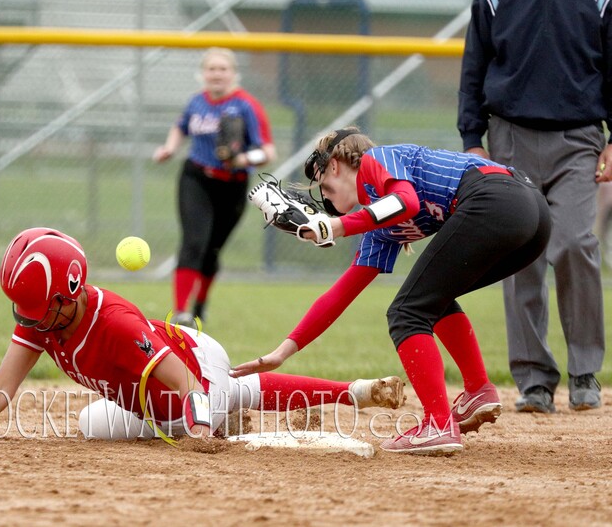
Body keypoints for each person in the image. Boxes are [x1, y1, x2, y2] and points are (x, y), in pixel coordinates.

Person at [0, 227, 405, 445]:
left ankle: (353, 393)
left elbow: (182, 378)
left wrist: (202, 423)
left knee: (206, 407)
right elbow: (0, 389)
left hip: (194, 363)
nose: (29, 319)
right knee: (92, 426)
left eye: (39, 309)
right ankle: (234, 410)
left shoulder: (114, 324)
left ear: (70, 294)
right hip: (148, 393)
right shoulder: (44, 316)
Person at [234, 127, 552, 456]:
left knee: (406, 312)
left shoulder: (377, 159)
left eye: (325, 187)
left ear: (335, 165)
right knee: (429, 298)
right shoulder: (380, 227)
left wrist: (338, 226)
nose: (326, 199)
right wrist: (283, 352)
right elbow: (340, 294)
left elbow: (406, 201)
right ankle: (478, 391)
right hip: (531, 216)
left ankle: (438, 424)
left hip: (498, 199)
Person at [457, 0, 610, 413]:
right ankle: (534, 379)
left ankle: (584, 371)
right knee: (520, 254)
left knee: (577, 242)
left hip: (578, 139)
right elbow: (475, 64)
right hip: (509, 137)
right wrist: (472, 139)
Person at [153, 47, 276, 328]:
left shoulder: (246, 105)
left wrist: (242, 158)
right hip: (196, 177)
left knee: (212, 250)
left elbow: (267, 151)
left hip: (232, 184)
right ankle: (181, 312)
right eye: (211, 69)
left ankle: (199, 306)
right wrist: (170, 148)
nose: (217, 74)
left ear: (234, 74)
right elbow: (180, 127)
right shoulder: (197, 102)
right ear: (202, 74)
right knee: (194, 242)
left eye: (223, 69)